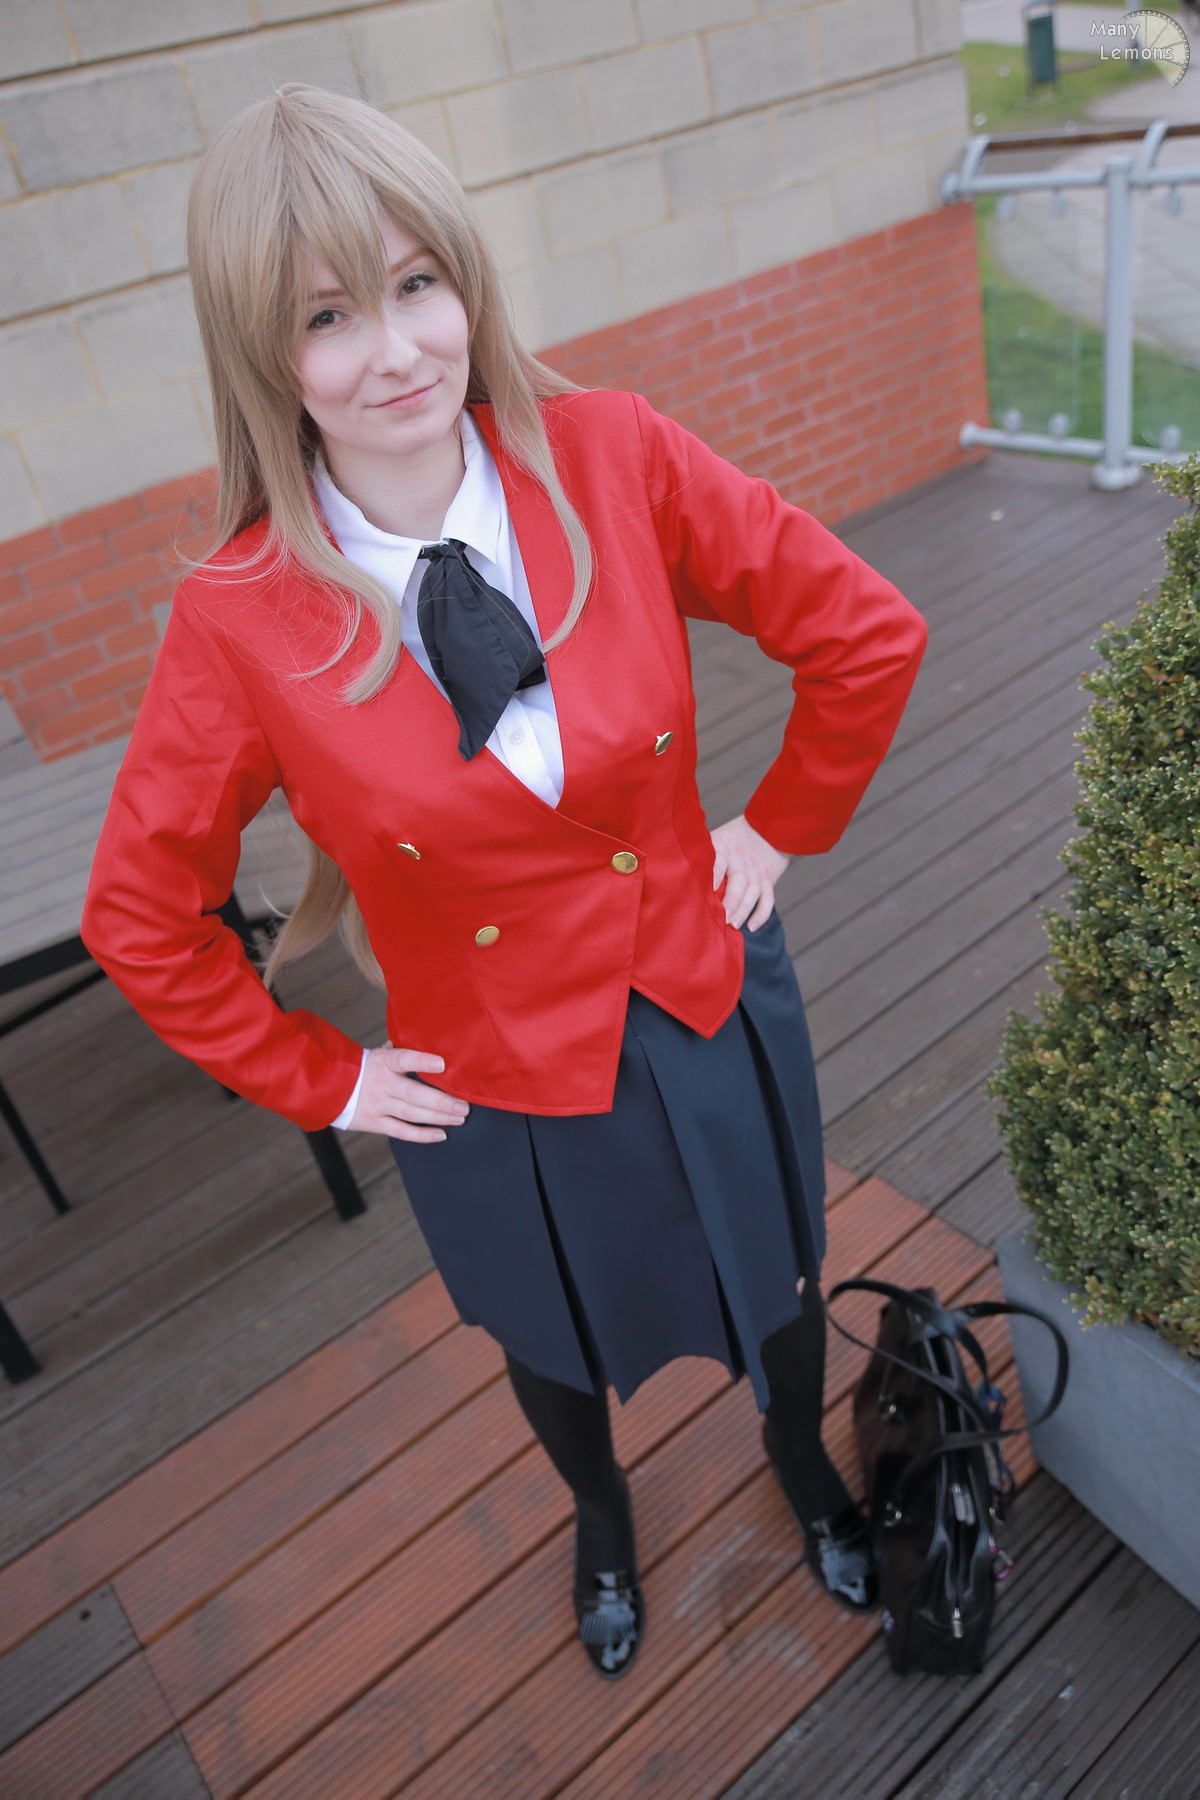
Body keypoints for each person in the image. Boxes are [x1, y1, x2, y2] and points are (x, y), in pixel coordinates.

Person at [81, 84, 927, 1681]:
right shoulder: (239, 615)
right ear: (266, 357)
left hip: (699, 990)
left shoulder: (612, 451)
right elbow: (138, 911)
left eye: (417, 284)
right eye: (328, 316)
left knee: (778, 1272)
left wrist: (776, 828)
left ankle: (805, 1467)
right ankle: (600, 1517)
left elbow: (865, 632)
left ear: (464, 279)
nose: (397, 350)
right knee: (548, 1331)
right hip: (482, 1073)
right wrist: (323, 1077)